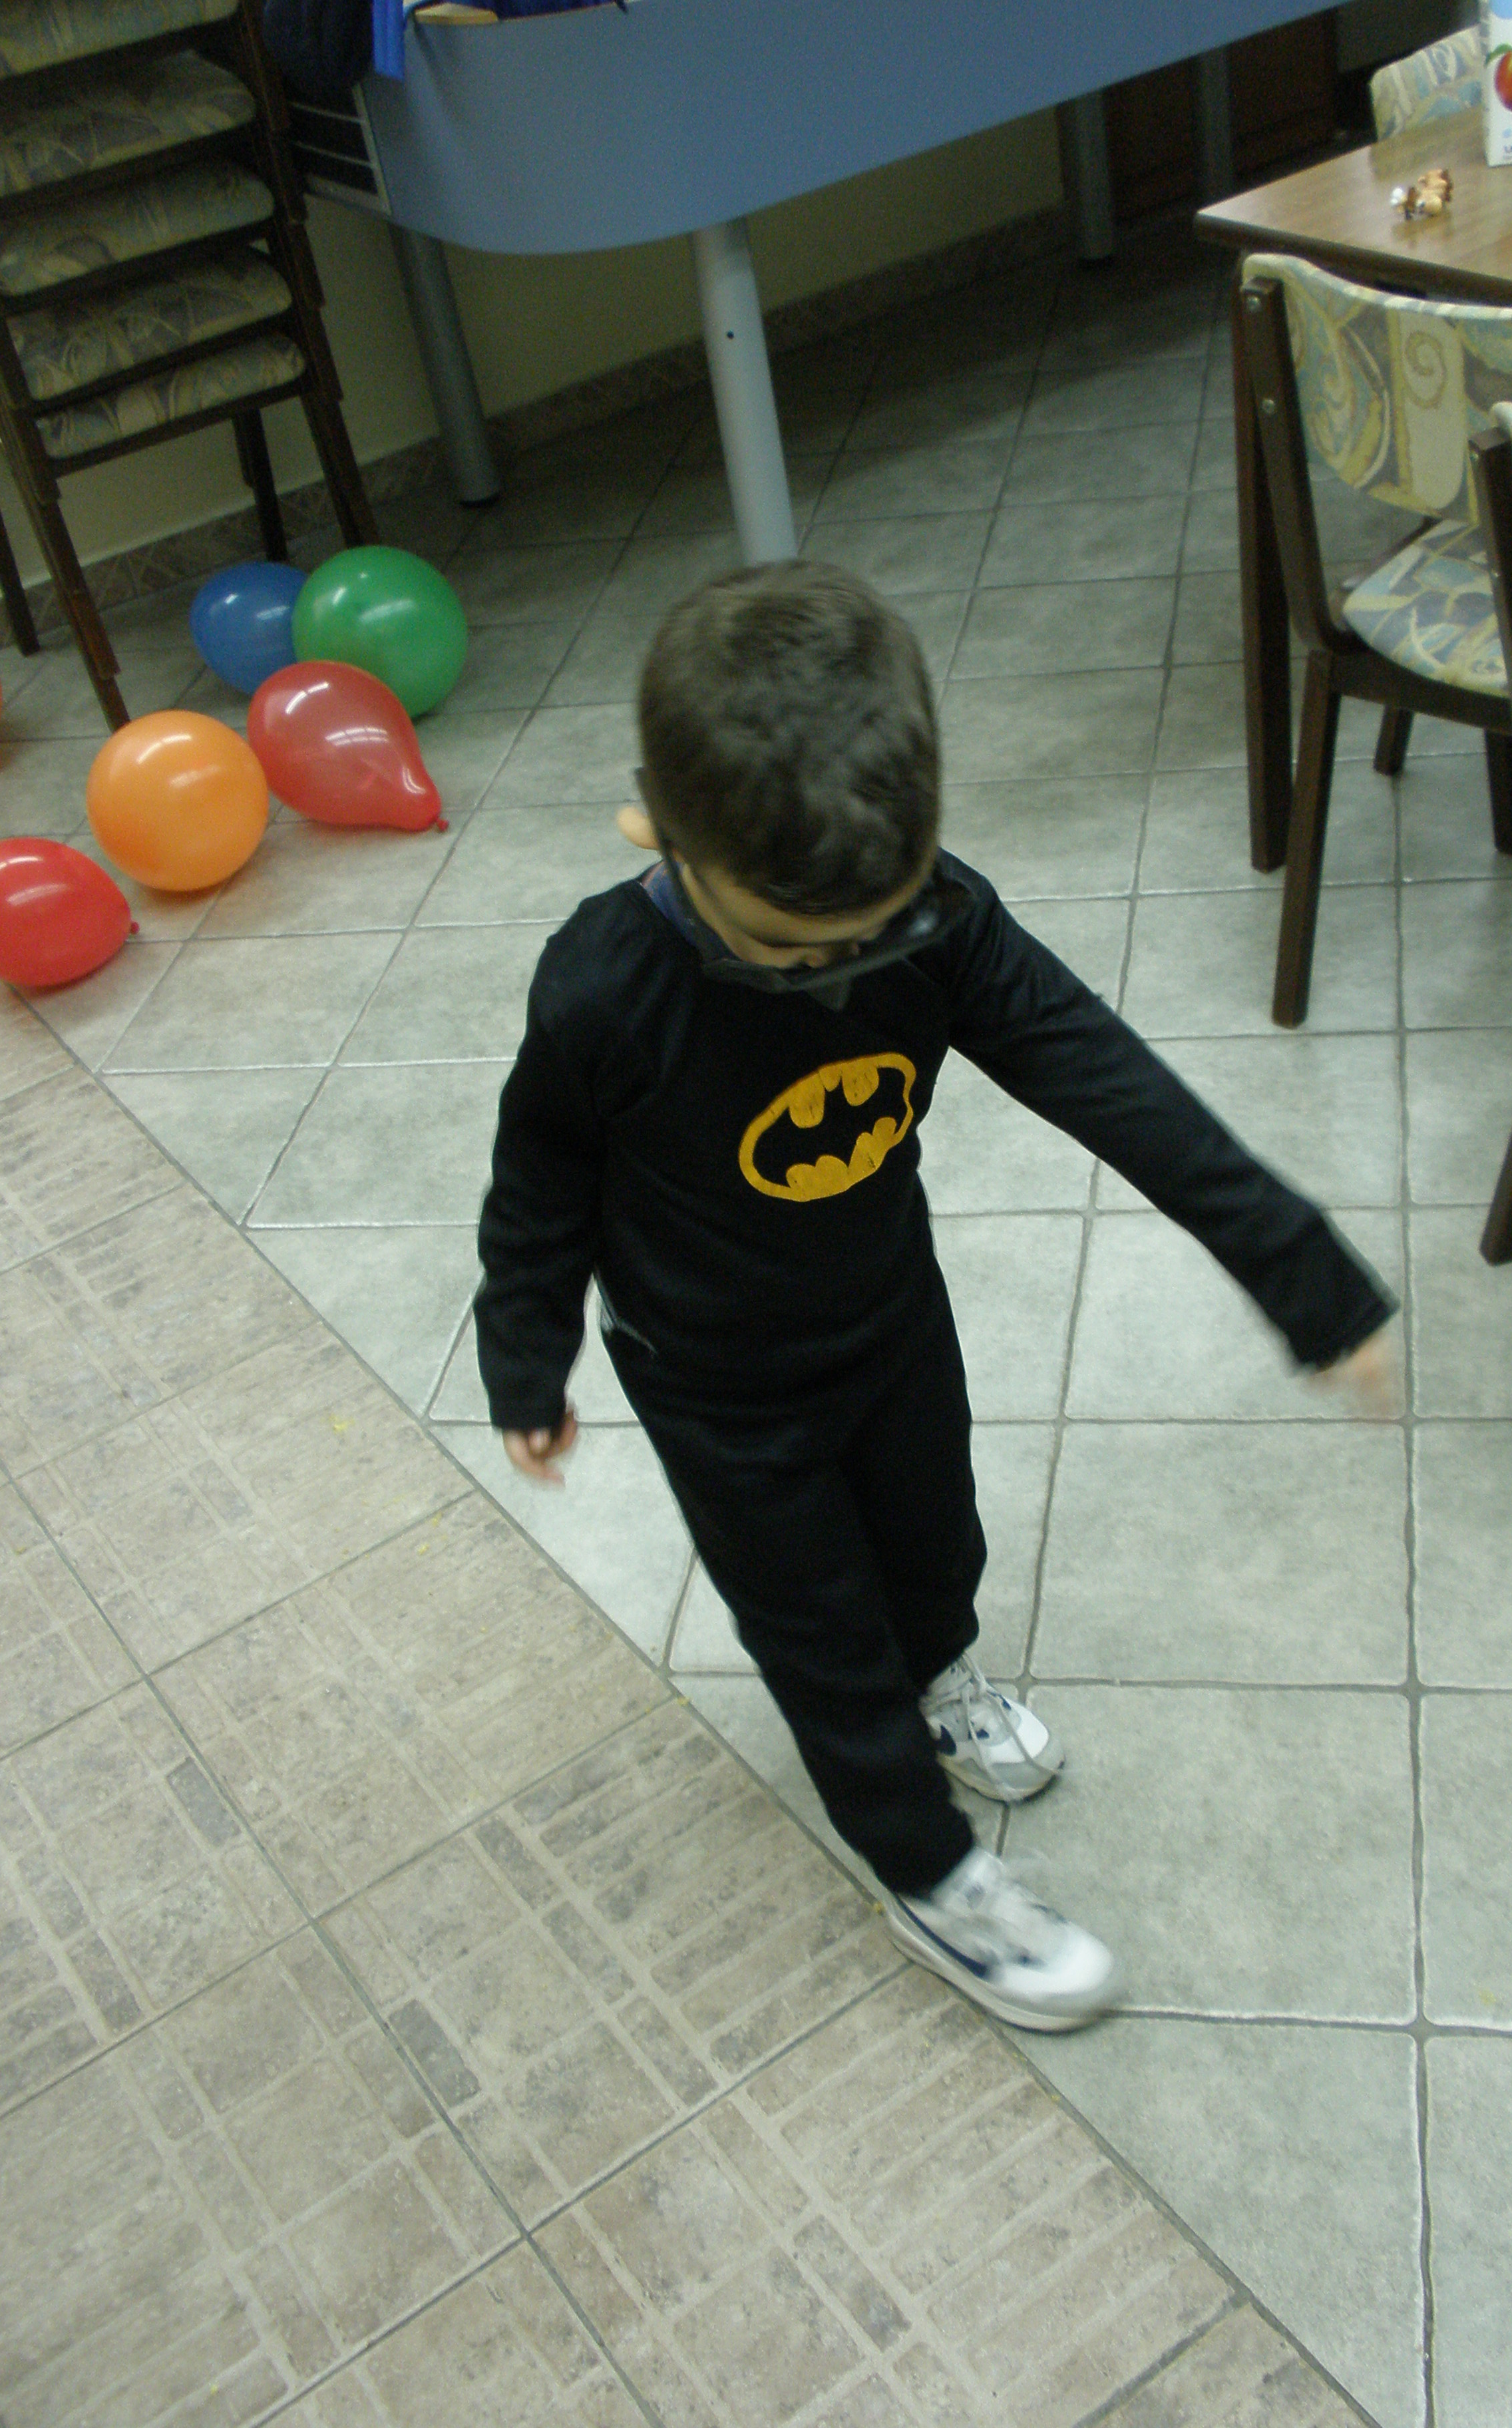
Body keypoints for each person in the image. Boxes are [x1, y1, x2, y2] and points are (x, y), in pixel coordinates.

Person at [475, 560, 1396, 2033]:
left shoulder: (942, 920)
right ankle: (930, 1873)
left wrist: (1306, 1277)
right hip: (714, 1380)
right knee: (820, 1635)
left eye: (876, 933)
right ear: (658, 826)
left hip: (890, 1310)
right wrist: (526, 1356)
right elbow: (538, 1189)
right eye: (792, 952)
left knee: (930, 1538)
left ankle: (941, 1672)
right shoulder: (601, 989)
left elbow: (1106, 1078)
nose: (843, 975)